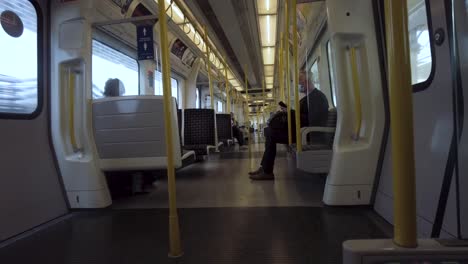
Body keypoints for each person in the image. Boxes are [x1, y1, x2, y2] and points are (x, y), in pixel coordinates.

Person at [249, 70, 329, 180]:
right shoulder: (306, 98)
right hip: (301, 131)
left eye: (300, 80)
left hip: (309, 134)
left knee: (271, 133)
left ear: (307, 81)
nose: (298, 84)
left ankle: (267, 171)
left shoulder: (318, 97)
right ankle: (264, 168)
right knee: (269, 130)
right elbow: (300, 116)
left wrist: (290, 112)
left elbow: (311, 120)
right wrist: (289, 112)